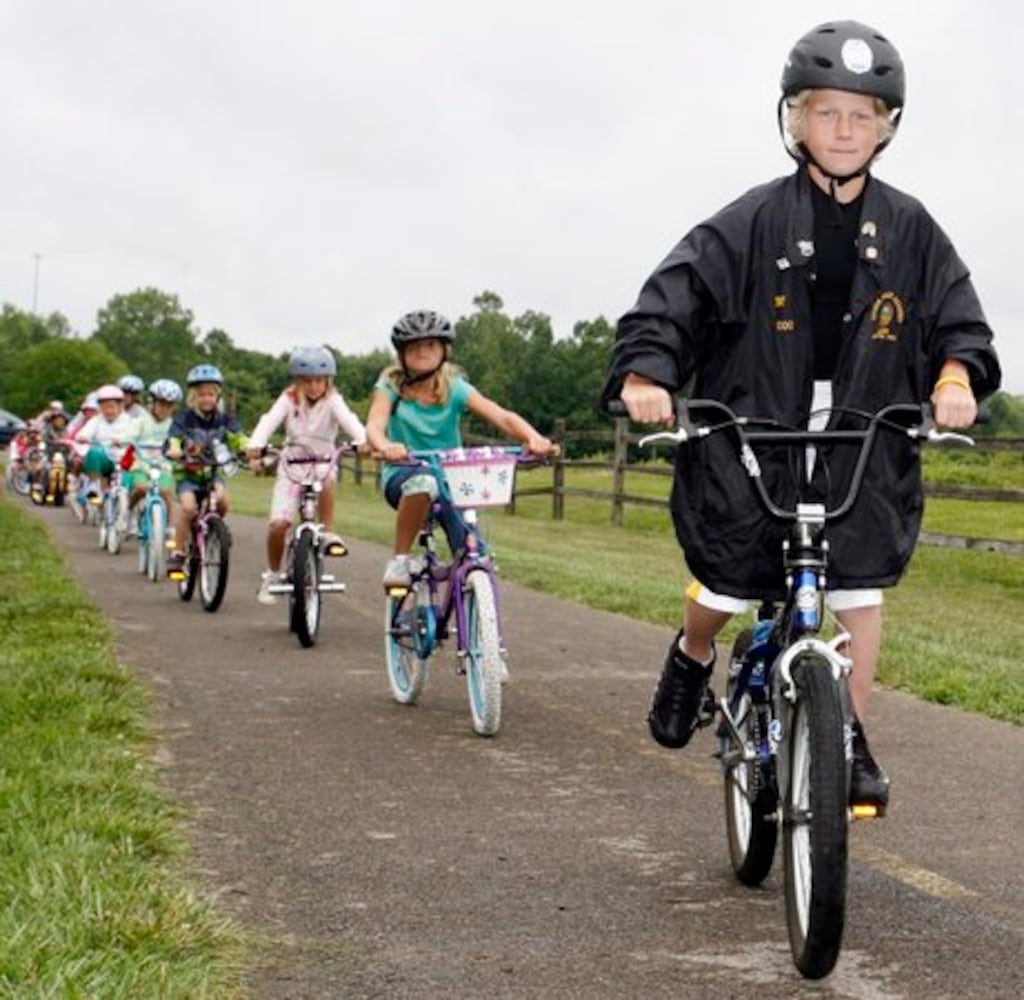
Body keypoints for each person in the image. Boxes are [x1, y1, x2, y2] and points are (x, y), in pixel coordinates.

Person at [602, 20, 1000, 810]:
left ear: (888, 126)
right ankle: (691, 655)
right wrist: (648, 371)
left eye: (863, 115)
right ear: (794, 119)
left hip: (862, 432)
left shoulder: (914, 230)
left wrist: (955, 377)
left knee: (858, 588)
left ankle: (846, 735)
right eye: (826, 112)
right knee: (723, 582)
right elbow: (669, 303)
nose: (844, 130)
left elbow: (960, 323)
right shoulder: (746, 222)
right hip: (754, 427)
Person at [365, 309, 557, 587]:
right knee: (423, 482)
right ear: (402, 353)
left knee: (472, 549)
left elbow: (501, 416)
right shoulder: (390, 386)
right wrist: (387, 446)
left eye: (430, 344)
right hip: (404, 472)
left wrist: (534, 438)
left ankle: (476, 610)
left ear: (444, 350)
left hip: (452, 479)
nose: (422, 352)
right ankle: (400, 560)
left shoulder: (454, 388)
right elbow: (374, 424)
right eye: (414, 346)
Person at [246, 346, 367, 605]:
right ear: (298, 382)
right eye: (307, 381)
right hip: (292, 465)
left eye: (319, 381)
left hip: (323, 462)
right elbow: (268, 421)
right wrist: (256, 444)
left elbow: (351, 422)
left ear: (328, 382)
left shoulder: (333, 401)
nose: (313, 386)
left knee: (327, 480)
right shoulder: (288, 399)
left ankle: (327, 532)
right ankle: (273, 572)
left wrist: (364, 441)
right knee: (279, 525)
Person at [164, 364, 248, 576]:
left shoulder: (225, 419)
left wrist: (249, 450)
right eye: (202, 395)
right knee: (189, 508)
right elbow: (173, 439)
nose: (207, 399)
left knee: (223, 501)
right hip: (188, 475)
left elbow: (239, 438)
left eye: (211, 394)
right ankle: (179, 551)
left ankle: (214, 531)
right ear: (193, 396)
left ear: (217, 396)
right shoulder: (183, 419)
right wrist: (174, 450)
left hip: (213, 473)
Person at [126, 378, 182, 525]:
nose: (164, 409)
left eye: (169, 406)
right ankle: (128, 510)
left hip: (163, 466)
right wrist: (127, 441)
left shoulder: (174, 426)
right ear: (153, 403)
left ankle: (170, 529)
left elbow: (179, 442)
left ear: (174, 408)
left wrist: (178, 451)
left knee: (166, 492)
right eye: (161, 404)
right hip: (142, 464)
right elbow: (130, 436)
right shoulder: (141, 421)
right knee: (140, 488)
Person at [72, 384, 135, 515]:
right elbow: (83, 434)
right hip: (106, 461)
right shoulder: (96, 421)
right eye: (104, 407)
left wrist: (123, 441)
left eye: (112, 407)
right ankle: (94, 487)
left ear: (120, 406)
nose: (108, 411)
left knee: (134, 484)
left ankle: (131, 516)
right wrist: (82, 437)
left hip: (125, 463)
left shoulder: (129, 421)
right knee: (93, 453)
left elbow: (136, 437)